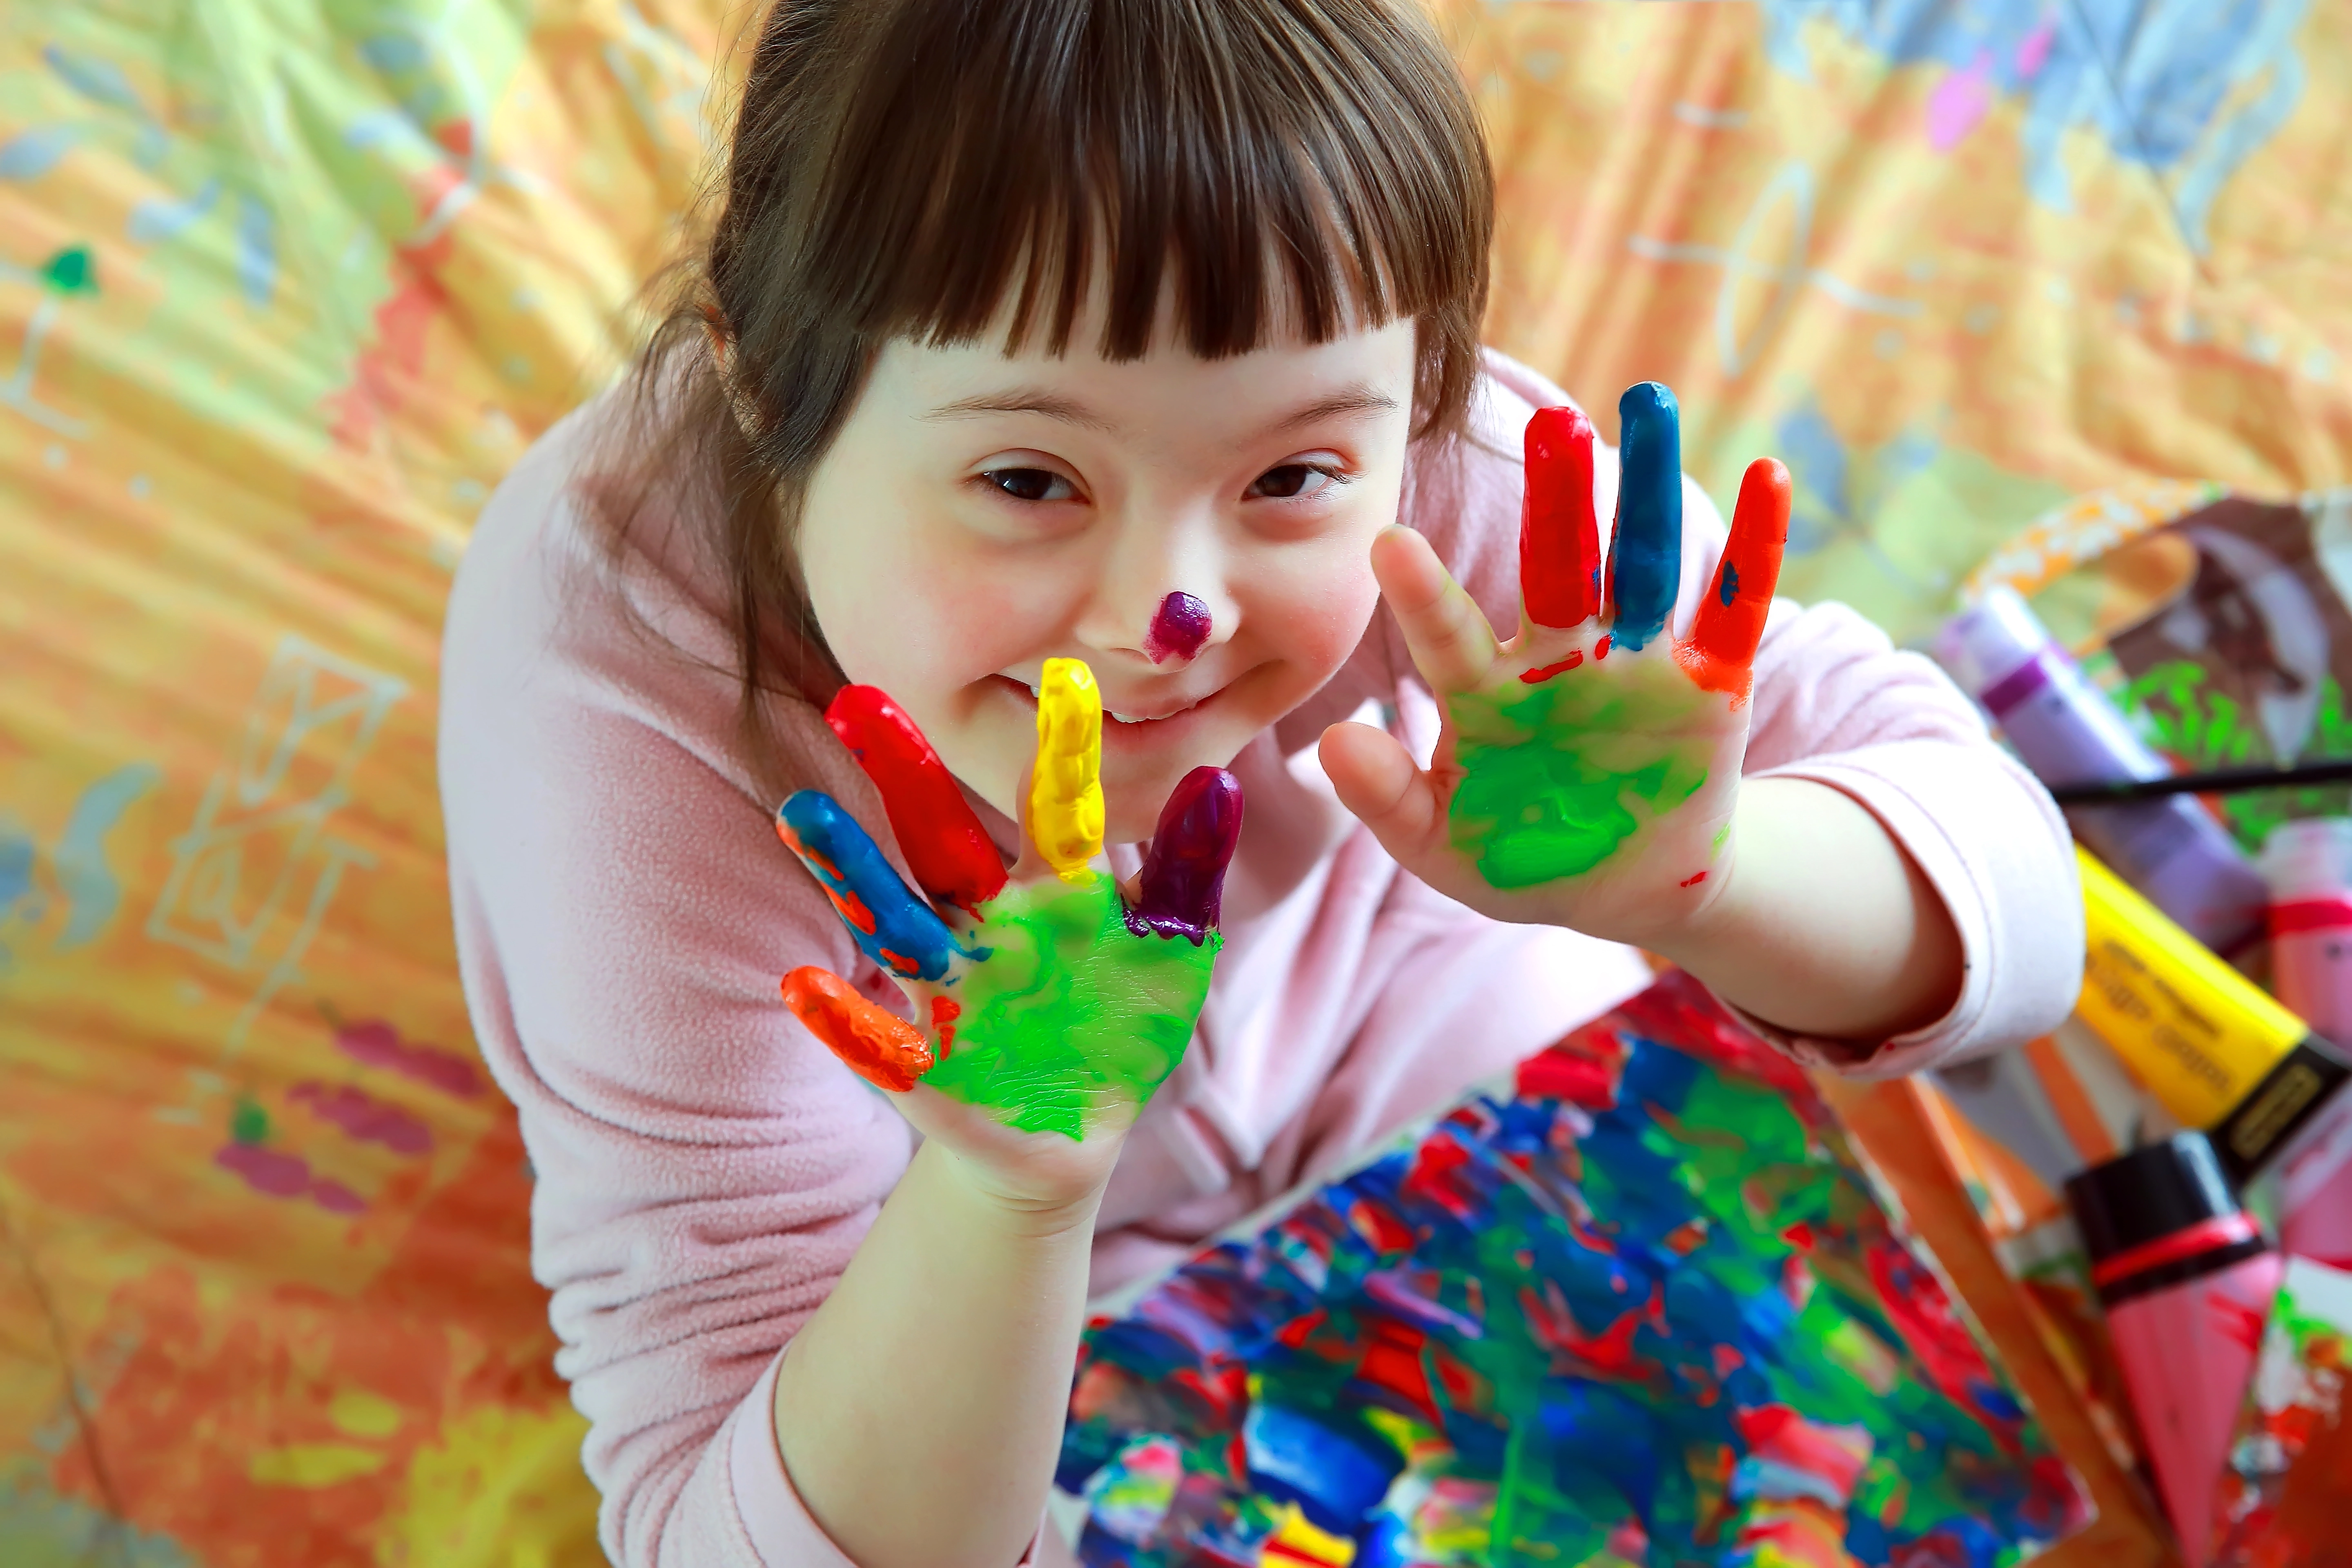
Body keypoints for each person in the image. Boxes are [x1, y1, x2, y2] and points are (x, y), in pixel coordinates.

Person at [435, 1, 2082, 1564]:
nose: (1172, 616)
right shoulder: (616, 702)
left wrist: (1701, 876)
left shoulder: (1452, 491)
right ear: (761, 381)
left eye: (1291, 471)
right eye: (1028, 477)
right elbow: (726, 1525)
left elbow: (2023, 909)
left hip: (1426, 1021)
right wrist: (1008, 1185)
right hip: (950, 1267)